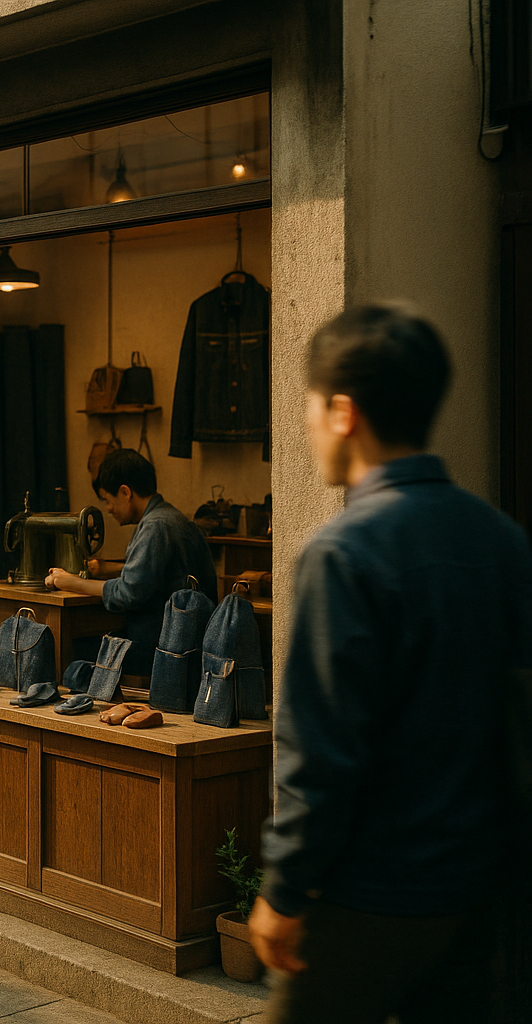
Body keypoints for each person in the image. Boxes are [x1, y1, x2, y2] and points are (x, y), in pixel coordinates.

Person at [248, 305, 530, 1022]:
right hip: (477, 894)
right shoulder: (502, 540)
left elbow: (319, 752)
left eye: (309, 404)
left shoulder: (343, 553)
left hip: (366, 899)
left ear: (343, 412)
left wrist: (284, 890)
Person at [46, 448, 215, 676]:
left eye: (108, 500)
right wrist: (112, 568)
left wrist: (70, 582)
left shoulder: (155, 526)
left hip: (159, 648)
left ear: (125, 492)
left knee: (70, 650)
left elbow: (128, 593)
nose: (109, 509)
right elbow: (161, 573)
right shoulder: (173, 517)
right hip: (188, 642)